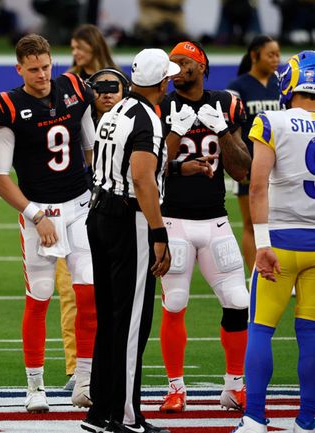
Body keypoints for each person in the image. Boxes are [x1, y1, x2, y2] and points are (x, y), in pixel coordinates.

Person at [0, 33, 97, 413]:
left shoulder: (73, 88)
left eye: (46, 67)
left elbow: (88, 145)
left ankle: (84, 380)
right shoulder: (8, 106)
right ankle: (35, 386)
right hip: (39, 210)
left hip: (80, 205)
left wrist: (96, 186)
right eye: (33, 69)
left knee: (88, 294)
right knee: (40, 296)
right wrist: (35, 214)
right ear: (19, 69)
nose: (42, 75)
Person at [82, 48, 176, 433]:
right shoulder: (148, 119)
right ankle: (124, 416)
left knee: (111, 319)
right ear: (162, 82)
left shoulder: (116, 110)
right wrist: (158, 232)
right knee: (132, 321)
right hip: (127, 218)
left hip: (100, 211)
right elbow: (142, 178)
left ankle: (100, 411)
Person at [157, 41, 252, 413]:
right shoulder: (161, 106)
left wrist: (224, 129)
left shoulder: (226, 103)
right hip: (173, 218)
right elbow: (148, 168)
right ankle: (176, 388)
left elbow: (242, 169)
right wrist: (176, 144)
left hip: (215, 219)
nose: (176, 69)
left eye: (182, 62)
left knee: (238, 301)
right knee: (175, 302)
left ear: (201, 65)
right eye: (171, 64)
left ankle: (233, 385)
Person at [232, 50, 315, 433]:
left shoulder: (272, 121)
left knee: (261, 329)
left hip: (279, 239)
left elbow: (257, 185)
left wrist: (261, 241)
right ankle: (308, 420)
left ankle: (254, 418)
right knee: (312, 333)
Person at [60, 67, 130, 391]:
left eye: (111, 87)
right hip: (83, 212)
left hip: (119, 215)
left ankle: (109, 368)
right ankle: (82, 371)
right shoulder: (78, 116)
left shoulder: (134, 122)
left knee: (114, 296)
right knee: (77, 293)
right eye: (98, 87)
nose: (105, 92)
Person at [227, 35, 281, 274]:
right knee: (250, 223)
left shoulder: (281, 85)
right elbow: (232, 128)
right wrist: (242, 162)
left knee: (277, 223)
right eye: (271, 54)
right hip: (251, 165)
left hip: (279, 166)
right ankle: (256, 274)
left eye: (278, 54)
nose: (276, 59)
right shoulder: (238, 87)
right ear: (254, 55)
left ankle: (279, 270)